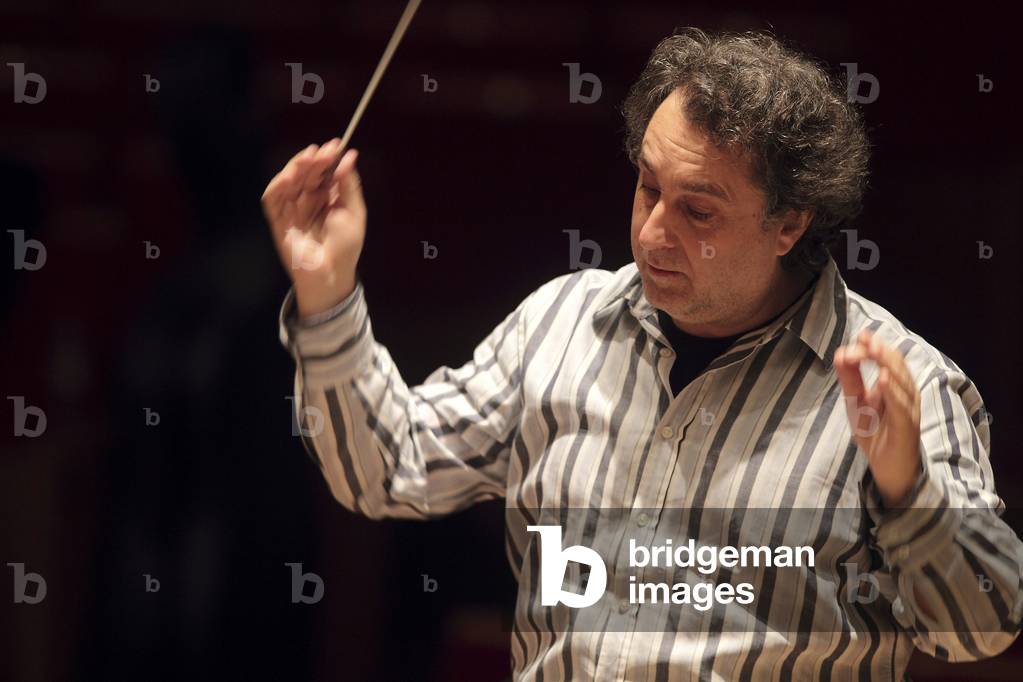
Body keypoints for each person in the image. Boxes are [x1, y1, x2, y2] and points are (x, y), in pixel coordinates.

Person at [262, 27, 1022, 681]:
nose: (655, 231)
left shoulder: (903, 380)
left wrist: (907, 487)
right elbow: (384, 465)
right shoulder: (560, 323)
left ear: (788, 221)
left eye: (697, 209)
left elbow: (980, 629)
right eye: (646, 188)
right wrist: (327, 295)